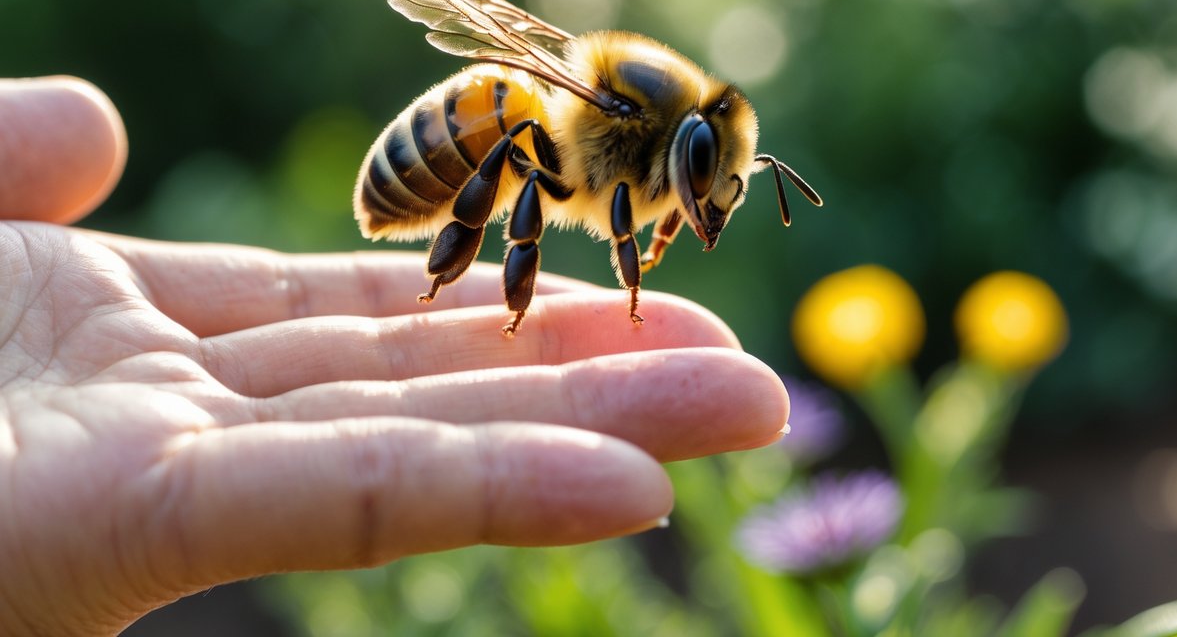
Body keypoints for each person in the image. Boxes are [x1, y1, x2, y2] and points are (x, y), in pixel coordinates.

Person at [0, 77, 790, 636]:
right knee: (516, 145)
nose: (702, 199)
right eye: (703, 176)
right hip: (462, 133)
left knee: (521, 147)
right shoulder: (618, 117)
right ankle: (451, 272)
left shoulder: (659, 141)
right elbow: (600, 194)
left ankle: (461, 280)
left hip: (490, 126)